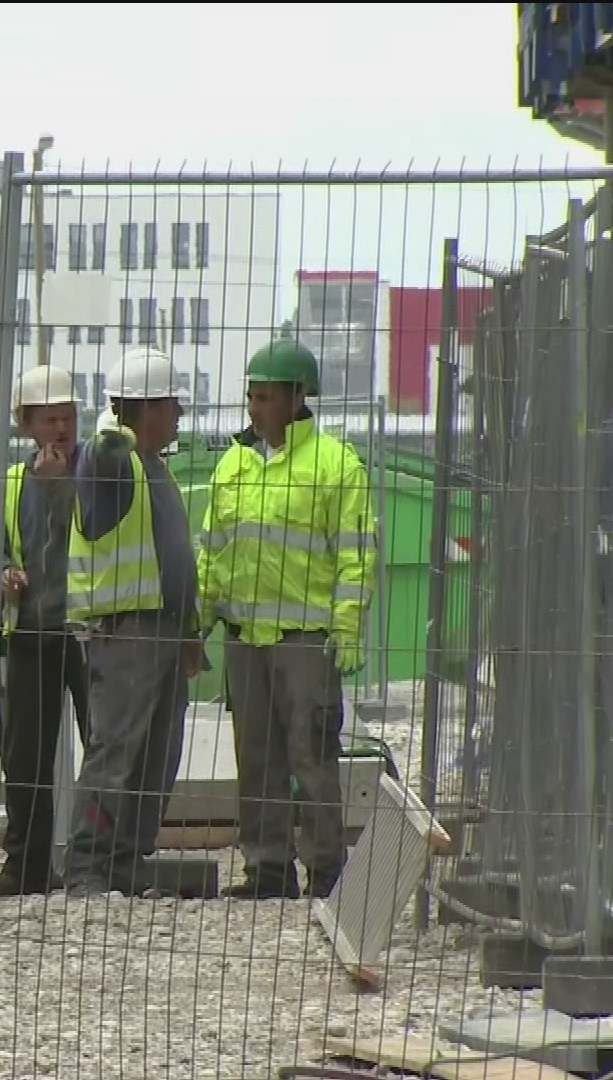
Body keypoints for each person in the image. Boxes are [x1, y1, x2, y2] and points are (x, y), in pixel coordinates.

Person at [200, 340, 377, 900]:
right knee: (256, 758)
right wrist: (199, 620)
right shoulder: (234, 464)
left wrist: (345, 626)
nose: (255, 408)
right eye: (251, 396)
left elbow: (356, 553)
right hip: (245, 639)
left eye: (267, 397)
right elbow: (213, 551)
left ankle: (327, 870)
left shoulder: (335, 465)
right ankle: (268, 869)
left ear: (299, 398)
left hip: (306, 640)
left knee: (312, 757)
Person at [64, 347, 207, 898]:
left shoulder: (155, 468)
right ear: (144, 408)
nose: (178, 417)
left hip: (165, 631)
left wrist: (190, 631)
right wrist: (111, 432)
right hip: (125, 633)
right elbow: (99, 453)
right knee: (117, 748)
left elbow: (171, 555)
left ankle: (126, 862)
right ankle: (87, 865)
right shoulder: (112, 460)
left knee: (157, 752)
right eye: (171, 405)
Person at [0, 365, 93, 896]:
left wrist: (57, 490)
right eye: (51, 419)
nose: (62, 428)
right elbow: (1, 548)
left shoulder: (97, 471)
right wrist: (5, 575)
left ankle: (95, 862)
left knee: (102, 745)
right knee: (26, 754)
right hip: (31, 629)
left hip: (87, 628)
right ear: (27, 423)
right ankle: (26, 864)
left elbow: (90, 529)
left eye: (69, 417)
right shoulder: (12, 481)